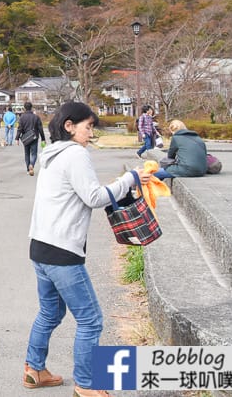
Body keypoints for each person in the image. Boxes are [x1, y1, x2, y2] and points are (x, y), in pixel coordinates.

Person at [23, 101, 153, 396]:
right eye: (88, 126)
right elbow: (94, 197)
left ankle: (34, 370)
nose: (91, 132)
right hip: (62, 251)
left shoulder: (51, 154)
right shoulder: (75, 153)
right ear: (69, 126)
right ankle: (86, 385)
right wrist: (130, 178)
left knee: (50, 313)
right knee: (91, 320)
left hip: (40, 246)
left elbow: (81, 194)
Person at [16, 102, 44, 176]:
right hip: (34, 137)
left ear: (24, 108)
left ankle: (28, 169)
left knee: (27, 153)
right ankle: (32, 164)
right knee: (34, 154)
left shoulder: (22, 117)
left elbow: (20, 128)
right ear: (31, 107)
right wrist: (43, 138)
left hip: (26, 138)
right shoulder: (36, 117)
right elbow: (40, 128)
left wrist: (17, 138)